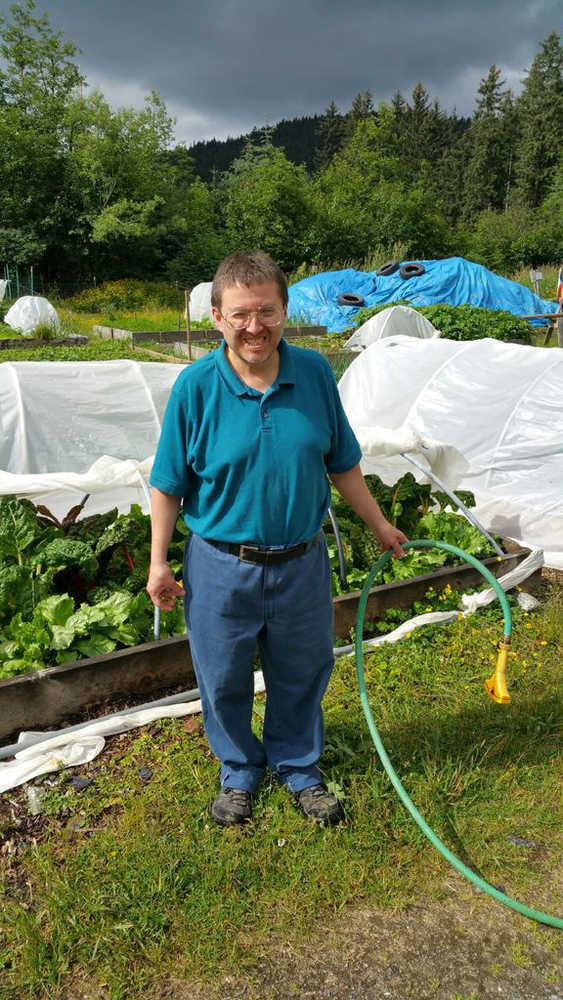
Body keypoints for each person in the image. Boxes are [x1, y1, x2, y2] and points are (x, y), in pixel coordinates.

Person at [147, 250, 407, 828]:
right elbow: (167, 483)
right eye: (240, 314)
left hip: (300, 563)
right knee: (222, 676)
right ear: (216, 316)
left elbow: (342, 463)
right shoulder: (195, 388)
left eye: (266, 311)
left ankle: (297, 766)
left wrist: (379, 524)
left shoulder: (313, 374)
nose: (254, 327)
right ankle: (239, 770)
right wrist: (159, 561)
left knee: (303, 670)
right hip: (220, 564)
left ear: (285, 310)